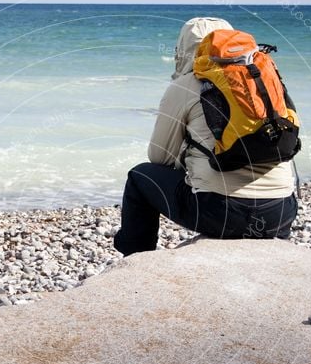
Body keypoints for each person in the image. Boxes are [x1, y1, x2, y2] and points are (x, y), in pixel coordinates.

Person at [113, 16, 298, 256]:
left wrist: (190, 156)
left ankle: (134, 258)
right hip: (281, 211)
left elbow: (159, 157)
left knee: (139, 176)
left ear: (183, 50)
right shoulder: (265, 79)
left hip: (222, 213)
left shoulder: (186, 84)